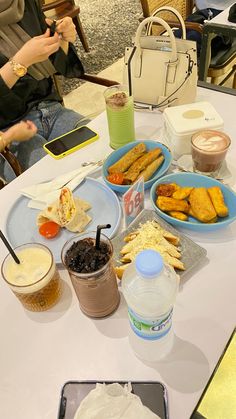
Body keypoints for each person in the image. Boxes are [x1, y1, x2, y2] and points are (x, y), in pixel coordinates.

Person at [0, 0, 85, 171]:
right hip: (9, 132)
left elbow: (61, 64)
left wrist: (64, 37)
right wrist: (20, 61)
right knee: (52, 181)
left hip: (52, 110)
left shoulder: (24, 4)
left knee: (104, 148)